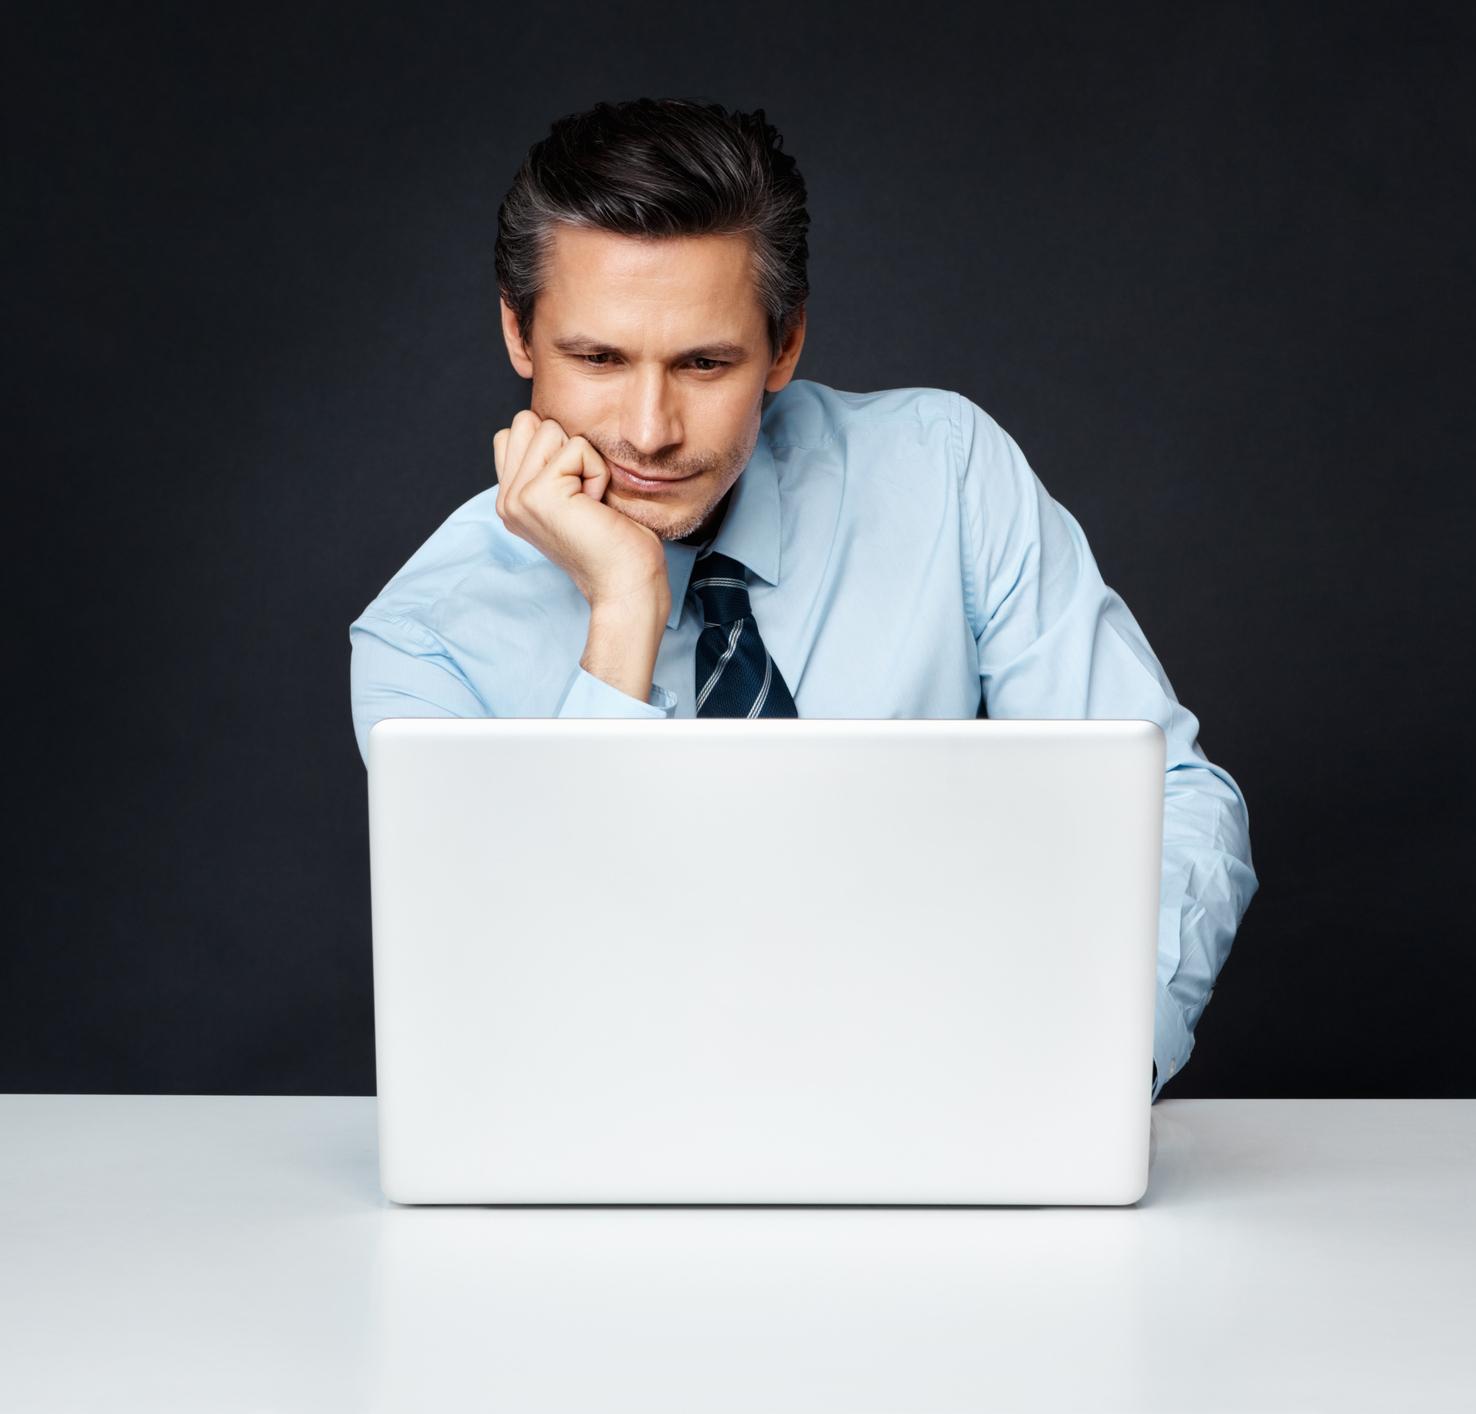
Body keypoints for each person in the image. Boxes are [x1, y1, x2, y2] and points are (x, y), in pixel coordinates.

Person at [347, 98, 1257, 1101]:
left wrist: (1095, 1069)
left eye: (704, 363)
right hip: (613, 1151)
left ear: (784, 345)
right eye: (598, 359)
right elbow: (525, 997)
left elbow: (1172, 801)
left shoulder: (943, 477)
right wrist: (623, 607)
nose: (649, 431)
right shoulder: (423, 640)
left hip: (943, 1109)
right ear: (519, 333)